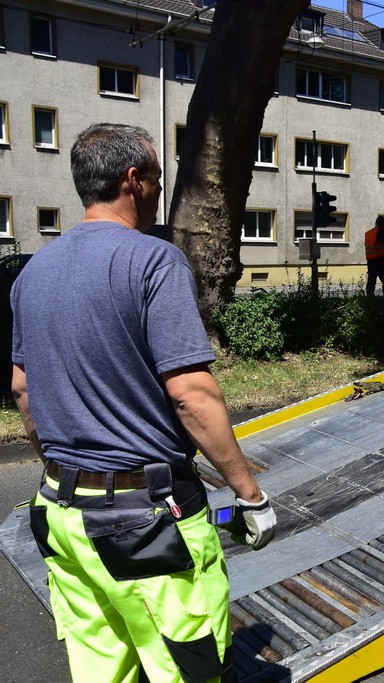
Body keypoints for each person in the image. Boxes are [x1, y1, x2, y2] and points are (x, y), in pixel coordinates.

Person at [11, 123, 277, 683]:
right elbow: (191, 394)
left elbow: (23, 390)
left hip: (60, 515)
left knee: (102, 668)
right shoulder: (152, 261)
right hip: (148, 524)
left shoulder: (32, 273)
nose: (161, 188)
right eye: (158, 176)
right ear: (135, 180)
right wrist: (248, 495)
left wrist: (68, 466)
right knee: (187, 670)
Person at [365, 215, 384, 297]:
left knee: (371, 281)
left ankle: (370, 299)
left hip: (370, 262)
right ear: (382, 224)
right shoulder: (380, 232)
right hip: (380, 261)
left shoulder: (368, 233)